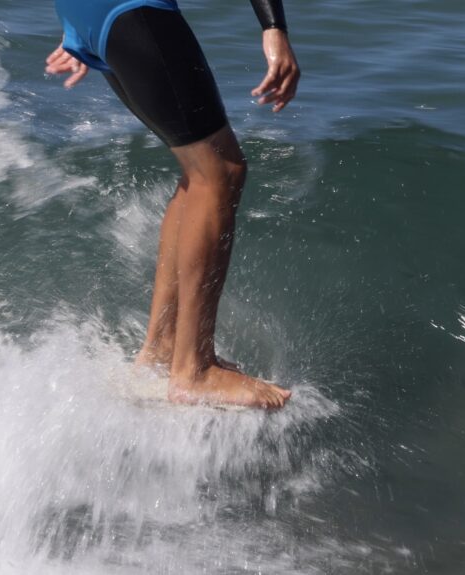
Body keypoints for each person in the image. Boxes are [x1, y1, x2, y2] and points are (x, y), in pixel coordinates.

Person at [45, 1, 299, 409]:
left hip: (92, 12)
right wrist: (274, 27)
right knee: (220, 171)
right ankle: (194, 371)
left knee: (199, 169)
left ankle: (163, 347)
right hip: (130, 8)